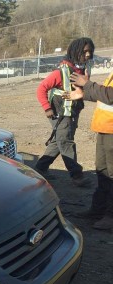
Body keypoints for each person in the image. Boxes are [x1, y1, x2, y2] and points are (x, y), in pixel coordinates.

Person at [34, 37, 95, 187]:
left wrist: (86, 81)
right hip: (59, 112)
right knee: (65, 141)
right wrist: (47, 108)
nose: (88, 55)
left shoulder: (82, 70)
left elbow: (82, 91)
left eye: (90, 51)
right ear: (76, 51)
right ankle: (77, 176)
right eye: (85, 51)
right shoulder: (61, 71)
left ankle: (40, 168)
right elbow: (41, 88)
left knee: (58, 140)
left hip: (72, 111)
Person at [65, 70, 113, 230]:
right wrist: (83, 94)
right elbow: (104, 95)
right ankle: (98, 210)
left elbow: (110, 96)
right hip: (105, 128)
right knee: (103, 171)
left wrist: (86, 84)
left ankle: (110, 216)